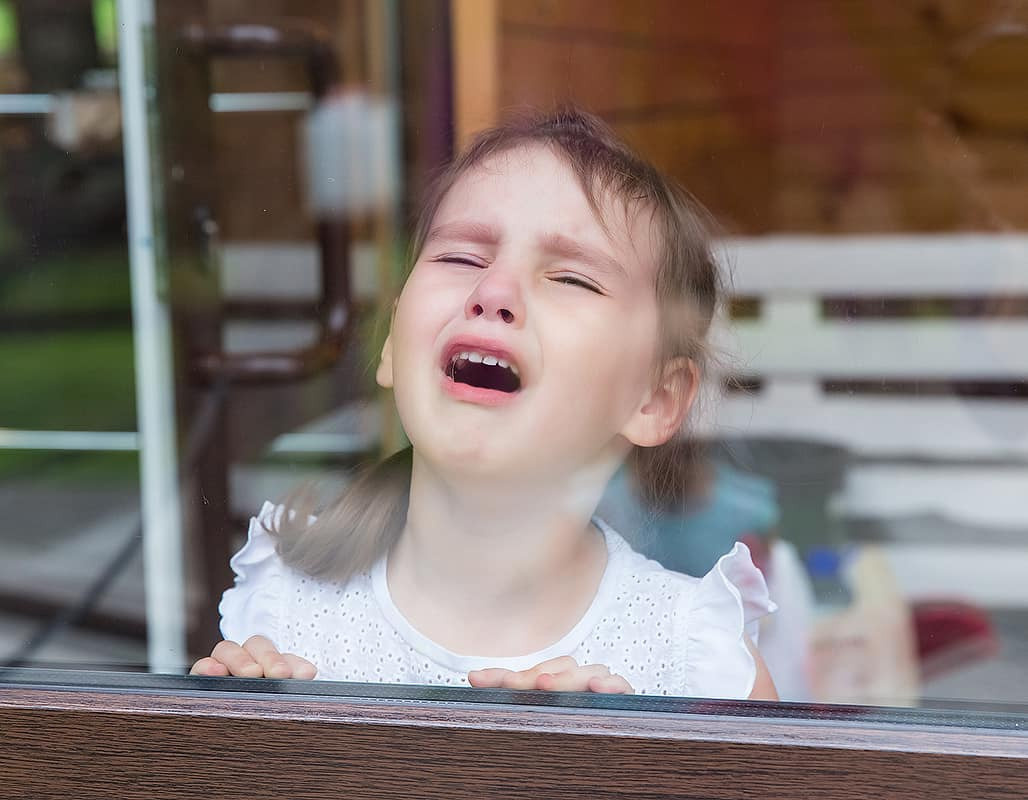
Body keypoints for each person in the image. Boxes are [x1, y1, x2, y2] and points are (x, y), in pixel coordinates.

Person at [190, 109, 778, 699]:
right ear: (393, 341)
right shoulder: (280, 614)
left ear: (654, 398)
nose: (492, 292)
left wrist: (628, 766)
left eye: (572, 278)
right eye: (461, 258)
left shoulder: (695, 661)